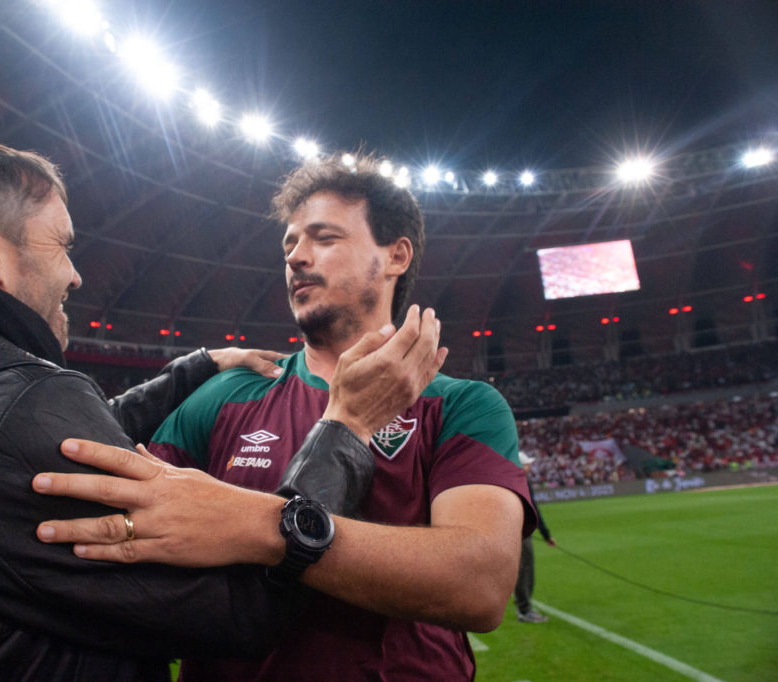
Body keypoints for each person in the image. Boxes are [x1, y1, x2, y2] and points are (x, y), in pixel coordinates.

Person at [0, 141, 443, 681]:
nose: (75, 274)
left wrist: (195, 366)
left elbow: (50, 445)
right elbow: (248, 612)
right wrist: (347, 426)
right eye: (61, 244)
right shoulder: (21, 401)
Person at [33, 153, 539, 680]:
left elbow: (478, 586)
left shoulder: (464, 404)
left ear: (396, 256)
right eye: (290, 243)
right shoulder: (228, 393)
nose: (296, 257)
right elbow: (127, 531)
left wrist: (253, 524)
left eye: (323, 238)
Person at [515, 451, 556, 623]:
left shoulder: (509, 480)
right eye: (527, 464)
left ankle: (523, 606)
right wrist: (546, 534)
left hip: (513, 531)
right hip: (522, 532)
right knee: (525, 569)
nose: (529, 467)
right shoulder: (521, 481)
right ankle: (525, 610)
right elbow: (534, 510)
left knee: (520, 569)